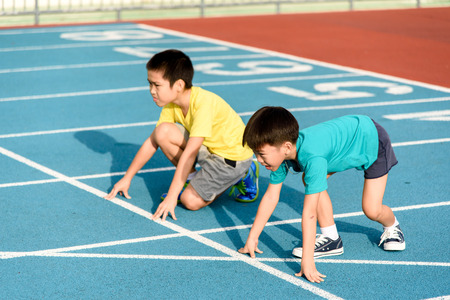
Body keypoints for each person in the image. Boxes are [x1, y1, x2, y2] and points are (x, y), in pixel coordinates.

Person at [238, 106, 405, 283]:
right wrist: (253, 238)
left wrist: (307, 261)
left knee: (372, 209)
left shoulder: (312, 158)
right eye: (256, 154)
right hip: (343, 144)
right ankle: (331, 238)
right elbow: (271, 196)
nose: (259, 160)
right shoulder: (281, 154)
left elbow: (309, 214)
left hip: (371, 140)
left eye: (262, 154)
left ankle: (392, 226)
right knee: (309, 180)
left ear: (286, 147)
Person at [105, 49, 259, 221]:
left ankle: (243, 174)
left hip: (232, 159)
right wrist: (127, 178)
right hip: (211, 148)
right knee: (162, 131)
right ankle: (192, 178)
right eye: (149, 84)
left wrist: (173, 195)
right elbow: (152, 142)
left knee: (189, 201)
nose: (151, 91)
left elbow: (190, 152)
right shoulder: (172, 104)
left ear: (178, 85)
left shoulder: (203, 104)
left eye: (157, 85)